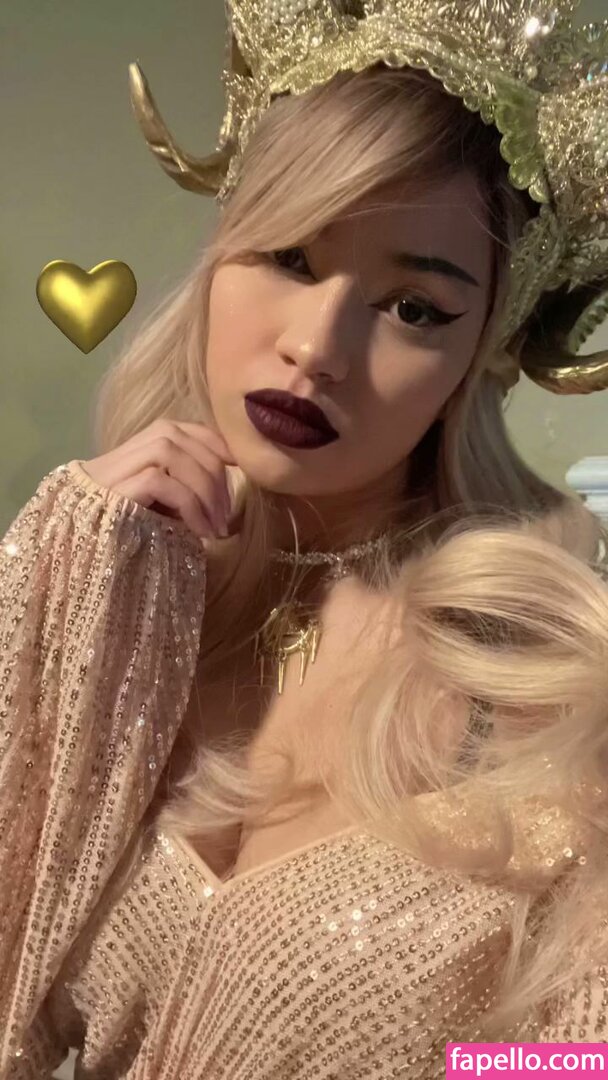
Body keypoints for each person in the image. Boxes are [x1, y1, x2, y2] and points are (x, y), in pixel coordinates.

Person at [2, 5, 608, 1076]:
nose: (317, 347)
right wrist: (52, 576)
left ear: (484, 347)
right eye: (288, 255)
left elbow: (577, 1058)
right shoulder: (112, 582)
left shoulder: (548, 677)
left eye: (413, 308)